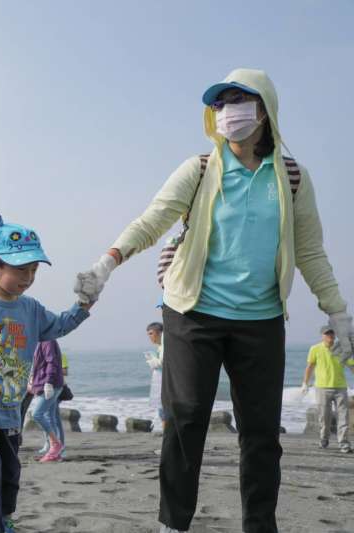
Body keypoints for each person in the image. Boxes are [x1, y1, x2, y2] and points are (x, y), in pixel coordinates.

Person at [74, 68, 352, 533]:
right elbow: (153, 220)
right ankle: (173, 524)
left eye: (239, 100)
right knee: (186, 422)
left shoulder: (293, 177)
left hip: (261, 320)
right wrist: (108, 261)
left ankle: (259, 526)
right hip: (192, 314)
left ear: (265, 109)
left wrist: (337, 309)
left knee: (262, 435)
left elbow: (310, 251)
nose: (229, 111)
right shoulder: (199, 168)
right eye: (221, 103)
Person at [0, 215, 92, 533]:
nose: (29, 277)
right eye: (21, 269)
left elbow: (61, 324)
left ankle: (4, 518)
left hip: (10, 409)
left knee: (10, 470)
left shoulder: (32, 309)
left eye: (34, 269)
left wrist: (84, 303)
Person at [301, 325, 354, 453]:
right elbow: (310, 366)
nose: (330, 336)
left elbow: (351, 365)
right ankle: (324, 438)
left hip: (340, 387)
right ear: (322, 336)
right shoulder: (315, 349)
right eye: (327, 334)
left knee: (343, 415)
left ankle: (344, 443)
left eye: (332, 334)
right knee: (324, 416)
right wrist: (305, 383)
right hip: (322, 388)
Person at [29, 339, 66, 462]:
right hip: (46, 384)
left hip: (51, 385)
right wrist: (32, 381)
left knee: (37, 414)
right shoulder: (40, 341)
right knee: (50, 416)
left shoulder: (47, 340)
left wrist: (48, 382)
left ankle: (56, 444)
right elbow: (37, 365)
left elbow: (52, 362)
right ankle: (54, 452)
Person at [144, 322, 166, 428]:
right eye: (148, 334)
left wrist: (151, 360)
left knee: (164, 410)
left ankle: (167, 434)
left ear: (160, 333)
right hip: (164, 382)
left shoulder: (165, 345)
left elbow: (162, 363)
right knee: (163, 409)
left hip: (167, 383)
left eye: (151, 333)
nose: (150, 337)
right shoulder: (160, 346)